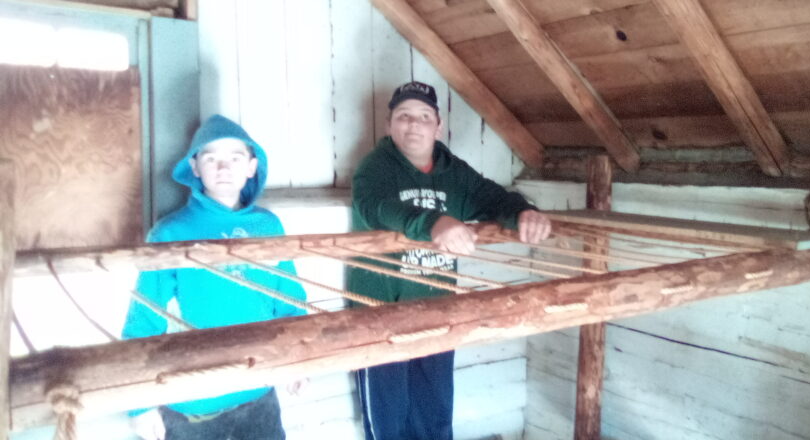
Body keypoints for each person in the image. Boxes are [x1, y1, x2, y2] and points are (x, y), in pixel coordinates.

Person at [348, 81, 552, 440]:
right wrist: (434, 222)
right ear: (389, 125)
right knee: (387, 422)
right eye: (404, 116)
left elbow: (493, 198)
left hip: (438, 310)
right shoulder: (373, 168)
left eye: (424, 116)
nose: (414, 125)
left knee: (436, 414)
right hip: (378, 314)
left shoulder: (453, 171)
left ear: (438, 126)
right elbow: (379, 207)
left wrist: (524, 212)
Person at [122, 114, 308, 440]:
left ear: (251, 167)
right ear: (195, 167)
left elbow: (290, 302)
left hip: (258, 395)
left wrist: (300, 359)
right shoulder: (170, 233)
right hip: (191, 407)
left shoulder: (269, 227)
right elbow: (143, 320)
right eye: (211, 158)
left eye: (235, 158)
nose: (223, 168)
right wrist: (140, 404)